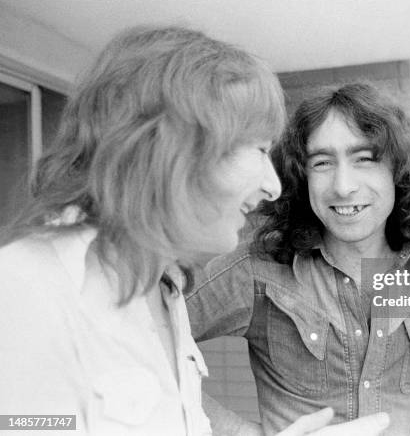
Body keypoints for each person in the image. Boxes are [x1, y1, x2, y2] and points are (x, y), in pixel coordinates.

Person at [0, 28, 389, 436]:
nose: (274, 185)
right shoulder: (25, 288)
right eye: (259, 149)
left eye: (365, 159)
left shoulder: (167, 290)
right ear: (176, 150)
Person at [187, 83, 410, 435]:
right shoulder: (258, 268)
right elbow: (147, 336)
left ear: (398, 171)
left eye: (364, 159)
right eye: (322, 163)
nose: (343, 186)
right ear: (301, 177)